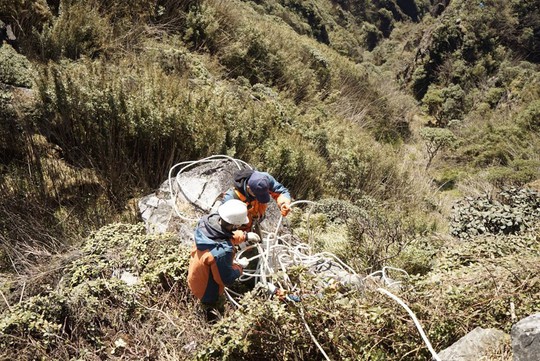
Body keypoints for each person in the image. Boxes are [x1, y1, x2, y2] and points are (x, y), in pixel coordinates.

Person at [187, 199, 260, 320]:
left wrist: (244, 236)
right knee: (213, 310)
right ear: (234, 225)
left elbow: (224, 234)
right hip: (207, 291)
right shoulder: (220, 252)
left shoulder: (206, 224)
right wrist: (240, 267)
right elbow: (225, 279)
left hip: (196, 277)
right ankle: (211, 322)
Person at [222, 169, 292, 232]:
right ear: (248, 188)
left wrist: (283, 203)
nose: (260, 199)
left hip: (255, 223)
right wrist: (244, 237)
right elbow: (222, 228)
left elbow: (281, 191)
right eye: (257, 196)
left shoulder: (264, 179)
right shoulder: (231, 198)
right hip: (239, 230)